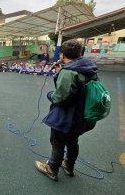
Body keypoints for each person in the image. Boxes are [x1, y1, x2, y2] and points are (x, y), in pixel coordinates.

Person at [34, 39, 98, 181]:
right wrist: (59, 73)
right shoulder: (88, 68)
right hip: (82, 116)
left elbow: (60, 98)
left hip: (67, 117)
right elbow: (77, 88)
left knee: (58, 144)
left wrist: (49, 94)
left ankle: (52, 169)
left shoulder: (69, 72)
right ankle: (69, 166)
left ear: (62, 55)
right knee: (72, 142)